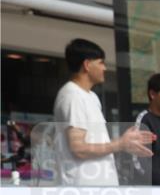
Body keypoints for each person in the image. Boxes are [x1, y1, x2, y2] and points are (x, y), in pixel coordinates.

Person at [53, 39, 154, 185]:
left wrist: (126, 145)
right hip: (82, 190)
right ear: (87, 65)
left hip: (99, 189)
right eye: (101, 62)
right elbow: (78, 148)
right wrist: (120, 144)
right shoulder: (72, 95)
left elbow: (97, 144)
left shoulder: (91, 97)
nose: (104, 68)